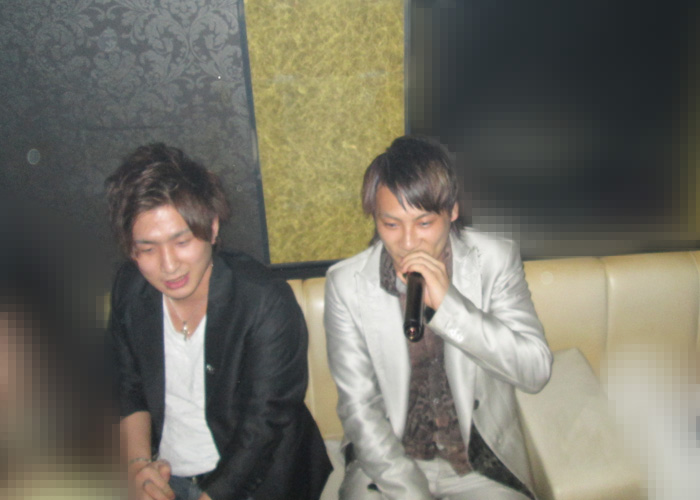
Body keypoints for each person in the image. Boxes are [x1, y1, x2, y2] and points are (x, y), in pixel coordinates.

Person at [324, 135, 552, 500]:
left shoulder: (495, 261)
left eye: (424, 223)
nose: (408, 243)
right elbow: (358, 406)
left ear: (453, 211)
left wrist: (451, 307)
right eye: (391, 225)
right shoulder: (346, 284)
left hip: (478, 463)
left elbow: (535, 371)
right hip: (387, 462)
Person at [105, 144, 331, 500]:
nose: (169, 265)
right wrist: (136, 466)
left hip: (258, 479)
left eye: (182, 241)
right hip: (165, 473)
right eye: (147, 249)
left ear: (212, 228)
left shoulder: (264, 301)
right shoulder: (131, 289)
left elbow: (263, 426)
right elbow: (128, 386)